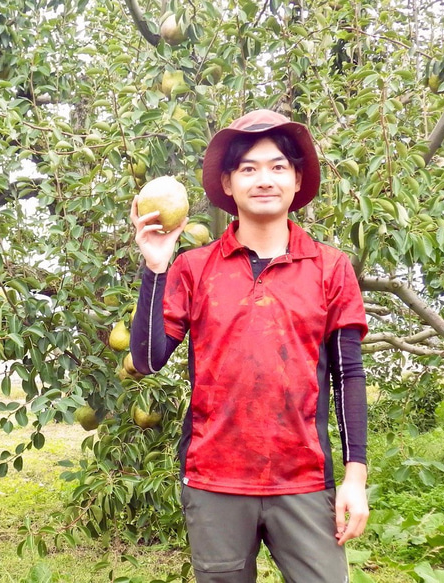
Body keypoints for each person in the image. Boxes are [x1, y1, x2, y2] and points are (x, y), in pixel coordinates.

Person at [129, 109, 369, 583]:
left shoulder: (330, 267)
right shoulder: (193, 268)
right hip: (215, 479)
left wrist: (355, 478)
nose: (264, 179)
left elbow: (349, 376)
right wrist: (155, 268)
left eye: (278, 166)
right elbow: (148, 360)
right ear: (228, 182)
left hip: (302, 478)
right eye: (249, 168)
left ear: (297, 181)